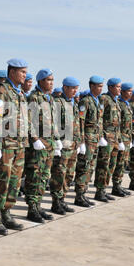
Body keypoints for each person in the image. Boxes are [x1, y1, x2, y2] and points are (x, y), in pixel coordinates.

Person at [0, 58, 28, 234]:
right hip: (5, 145)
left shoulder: (19, 93)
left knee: (14, 182)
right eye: (22, 72)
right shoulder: (1, 91)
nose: (25, 76)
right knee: (1, 182)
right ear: (12, 72)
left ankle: (7, 213)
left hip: (18, 144)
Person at [24, 68, 62, 222]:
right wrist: (34, 139)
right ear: (40, 81)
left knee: (44, 176)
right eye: (48, 80)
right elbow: (28, 120)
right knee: (34, 176)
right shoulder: (34, 98)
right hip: (39, 144)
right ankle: (32, 208)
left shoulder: (50, 99)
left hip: (49, 143)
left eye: (52, 80)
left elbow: (53, 122)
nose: (51, 83)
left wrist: (57, 138)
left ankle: (38, 205)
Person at [49, 76, 81, 214]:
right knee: (59, 175)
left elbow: (77, 125)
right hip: (62, 145)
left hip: (72, 145)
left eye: (76, 89)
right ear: (65, 88)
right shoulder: (58, 103)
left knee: (69, 175)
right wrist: (56, 141)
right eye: (72, 88)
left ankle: (62, 199)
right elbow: (53, 123)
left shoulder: (72, 103)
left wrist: (79, 142)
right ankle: (55, 203)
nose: (75, 91)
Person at [73, 75, 104, 207]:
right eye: (99, 86)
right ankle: (79, 195)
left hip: (95, 140)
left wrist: (101, 136)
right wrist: (81, 142)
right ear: (92, 86)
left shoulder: (97, 101)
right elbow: (80, 122)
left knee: (90, 167)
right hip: (87, 140)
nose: (101, 88)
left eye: (102, 86)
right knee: (83, 167)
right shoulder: (85, 101)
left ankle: (84, 193)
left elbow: (99, 122)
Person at [93, 78, 126, 201]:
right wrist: (101, 136)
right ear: (110, 87)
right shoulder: (104, 99)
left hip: (115, 138)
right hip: (106, 138)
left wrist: (120, 140)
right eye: (117, 87)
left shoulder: (115, 101)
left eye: (120, 87)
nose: (119, 89)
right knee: (103, 165)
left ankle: (104, 189)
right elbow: (99, 119)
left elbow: (118, 124)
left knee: (111, 165)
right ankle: (99, 191)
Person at [111, 82, 134, 196]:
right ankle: (116, 186)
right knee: (118, 163)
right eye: (128, 91)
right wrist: (119, 140)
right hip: (120, 139)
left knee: (123, 163)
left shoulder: (127, 104)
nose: (131, 93)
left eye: (131, 91)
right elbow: (117, 124)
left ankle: (119, 185)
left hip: (126, 138)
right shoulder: (119, 104)